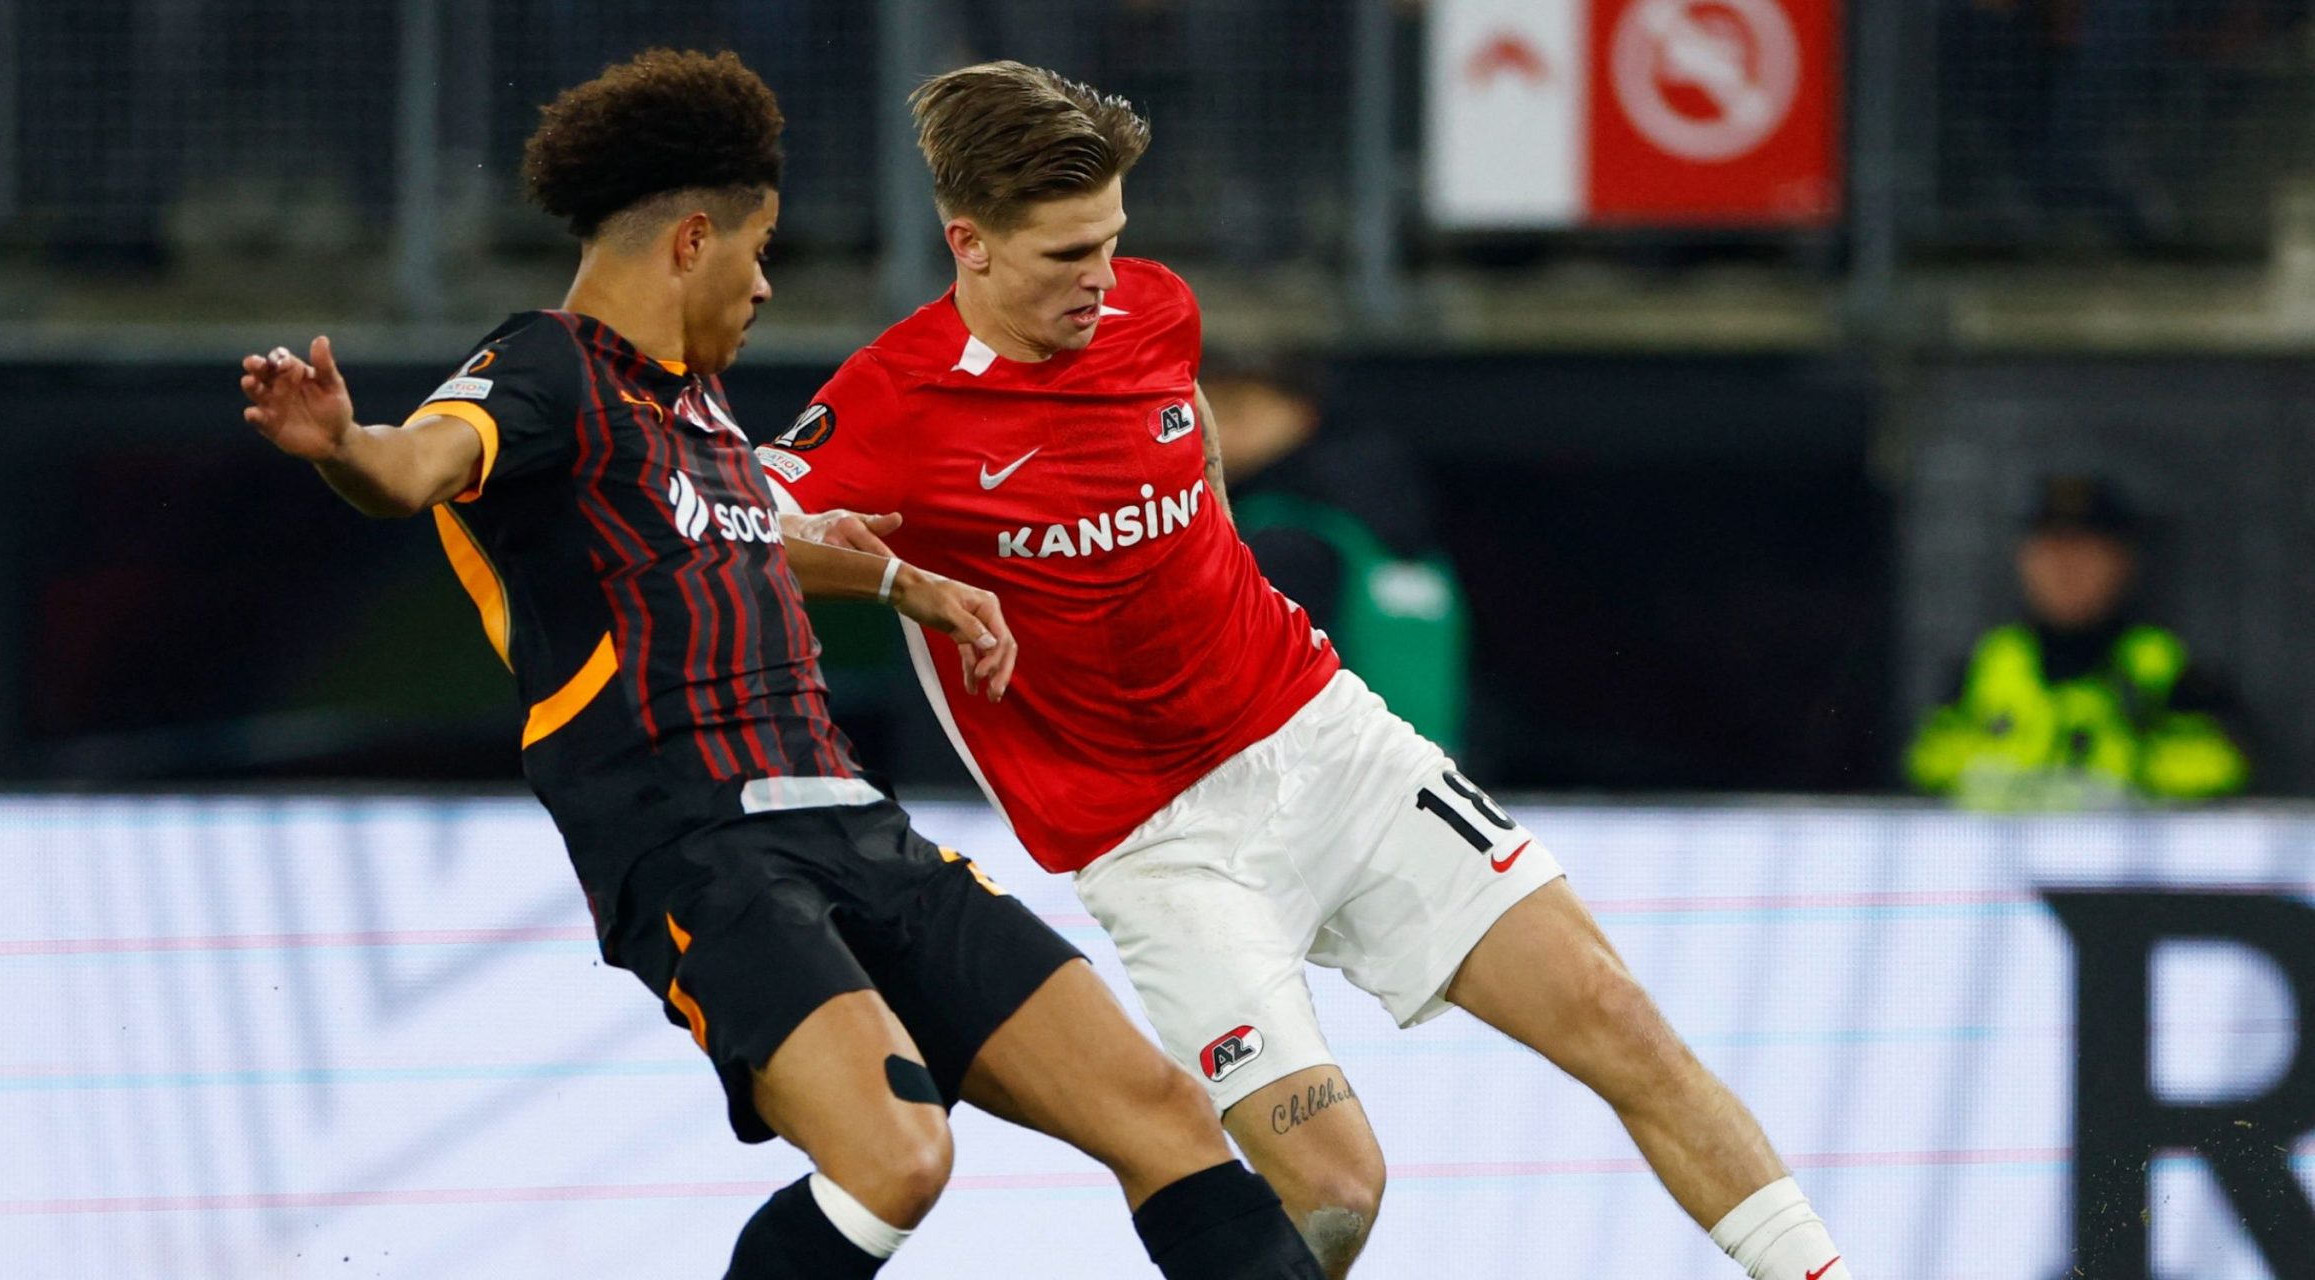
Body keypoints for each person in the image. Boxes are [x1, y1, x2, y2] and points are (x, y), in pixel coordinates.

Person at [239, 50, 1324, 1280]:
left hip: (851, 820)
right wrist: (342, 443)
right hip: (698, 842)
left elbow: (735, 546)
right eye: (759, 252)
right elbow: (414, 465)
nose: (765, 285)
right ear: (693, 241)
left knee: (1162, 1113)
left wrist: (903, 583)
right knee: (896, 1155)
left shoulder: (700, 418)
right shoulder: (547, 366)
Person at [759, 61, 1853, 1280]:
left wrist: (1220, 560)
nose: (1101, 280)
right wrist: (896, 584)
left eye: (1111, 240)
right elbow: (735, 524)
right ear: (967, 243)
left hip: (1324, 741)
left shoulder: (1153, 309)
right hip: (1161, 843)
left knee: (1617, 1014)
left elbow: (1183, 428)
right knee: (1334, 1189)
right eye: (1067, 254)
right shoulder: (892, 401)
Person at [1909, 474, 2247, 809]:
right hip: (2008, 841)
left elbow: (2221, 765)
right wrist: (2022, 776)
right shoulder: (1990, 661)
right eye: (2051, 551)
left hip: (2124, 842)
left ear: (2122, 561)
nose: (2066, 569)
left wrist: (2121, 767)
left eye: (2086, 551)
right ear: (2024, 560)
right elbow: (1927, 763)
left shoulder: (2161, 664)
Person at [1204, 354, 1467, 753]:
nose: (1213, 432)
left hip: (1321, 770)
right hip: (1427, 770)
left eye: (1236, 411)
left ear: (1301, 412)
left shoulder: (1280, 536)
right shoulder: (1395, 522)